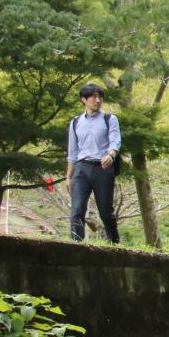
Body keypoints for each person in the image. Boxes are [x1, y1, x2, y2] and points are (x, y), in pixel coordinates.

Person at [66, 82, 121, 243]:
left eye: (100, 97)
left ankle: (114, 243)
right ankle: (76, 244)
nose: (98, 100)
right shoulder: (75, 122)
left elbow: (115, 141)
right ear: (84, 99)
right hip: (81, 169)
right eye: (93, 97)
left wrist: (110, 155)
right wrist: (68, 177)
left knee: (105, 211)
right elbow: (72, 152)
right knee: (77, 209)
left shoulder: (109, 119)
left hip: (103, 168)